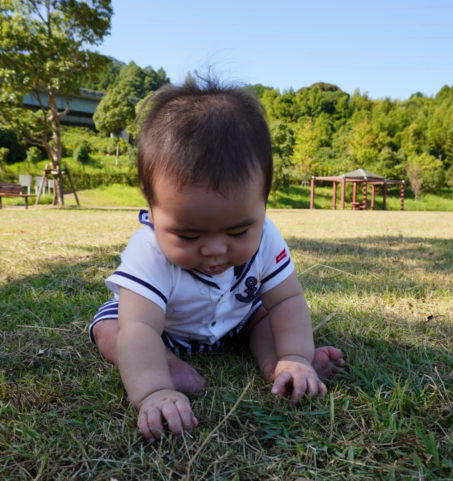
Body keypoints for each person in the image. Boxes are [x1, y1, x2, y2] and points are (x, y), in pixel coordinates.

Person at [89, 77, 345, 441]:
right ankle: (168, 364)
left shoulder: (267, 236)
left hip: (233, 322)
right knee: (112, 329)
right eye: (188, 235)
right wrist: (153, 391)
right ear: (152, 209)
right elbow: (141, 328)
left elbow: (287, 300)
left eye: (238, 232)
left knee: (263, 315)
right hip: (162, 329)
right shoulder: (147, 251)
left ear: (263, 202)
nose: (214, 250)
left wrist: (297, 353)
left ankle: (281, 366)